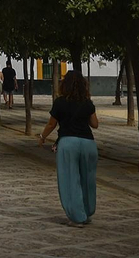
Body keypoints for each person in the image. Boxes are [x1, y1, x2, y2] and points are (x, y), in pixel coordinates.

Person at [38, 71, 99, 227]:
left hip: (68, 143)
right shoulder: (87, 102)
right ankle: (87, 212)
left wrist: (42, 136)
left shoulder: (60, 102)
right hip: (88, 143)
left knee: (70, 179)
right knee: (88, 179)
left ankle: (77, 216)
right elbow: (95, 124)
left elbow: (52, 124)